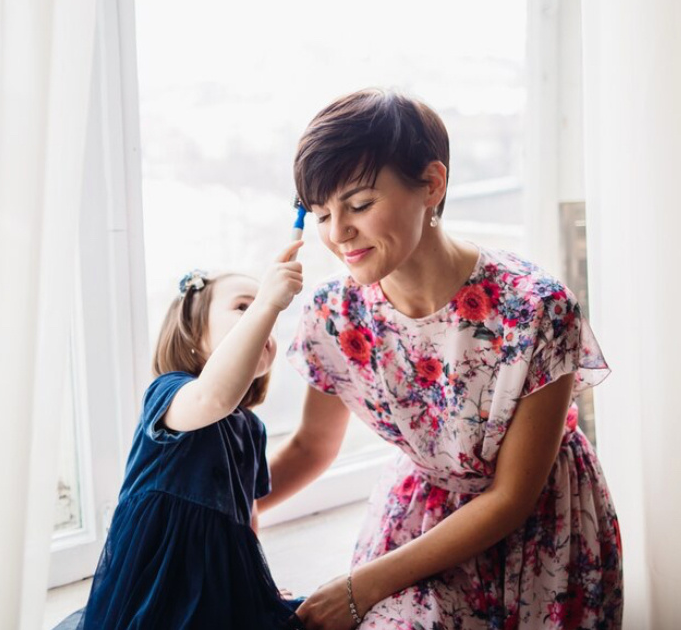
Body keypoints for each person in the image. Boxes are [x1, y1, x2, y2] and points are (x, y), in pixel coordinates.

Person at [262, 89, 623, 630]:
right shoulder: (335, 313)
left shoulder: (534, 308)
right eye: (321, 214)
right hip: (415, 522)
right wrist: (218, 509)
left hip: (540, 531)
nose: (337, 234)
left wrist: (359, 587)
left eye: (359, 205)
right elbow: (312, 445)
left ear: (432, 184)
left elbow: (510, 498)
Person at [61, 242, 307, 630]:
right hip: (160, 576)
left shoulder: (251, 428)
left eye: (268, 319)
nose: (263, 320)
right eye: (244, 307)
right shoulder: (170, 392)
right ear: (192, 333)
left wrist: (260, 583)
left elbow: (248, 517)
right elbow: (214, 397)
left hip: (220, 575)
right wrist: (267, 303)